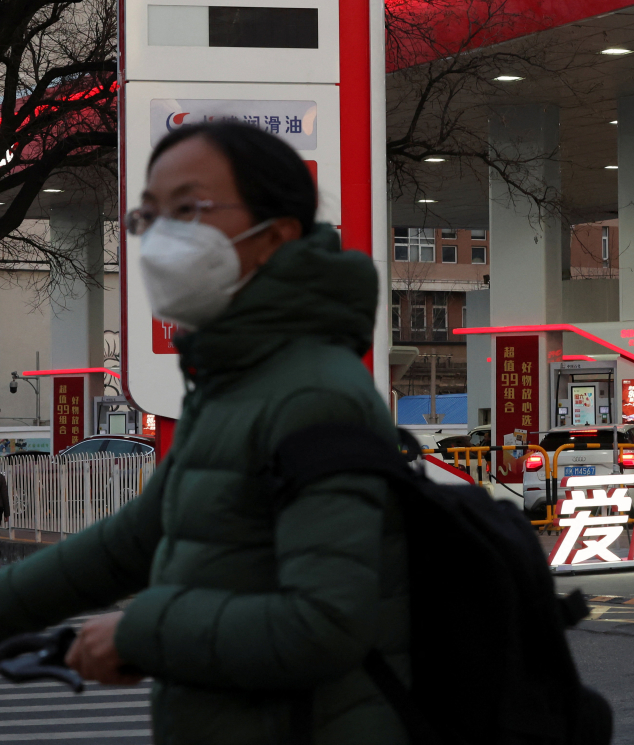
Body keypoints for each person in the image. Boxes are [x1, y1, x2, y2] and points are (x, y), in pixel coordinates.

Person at [0, 123, 411, 744]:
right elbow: (136, 539)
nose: (162, 238)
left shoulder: (314, 395)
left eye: (188, 210)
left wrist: (141, 632)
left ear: (275, 236)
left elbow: (325, 623)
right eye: (150, 215)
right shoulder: (236, 383)